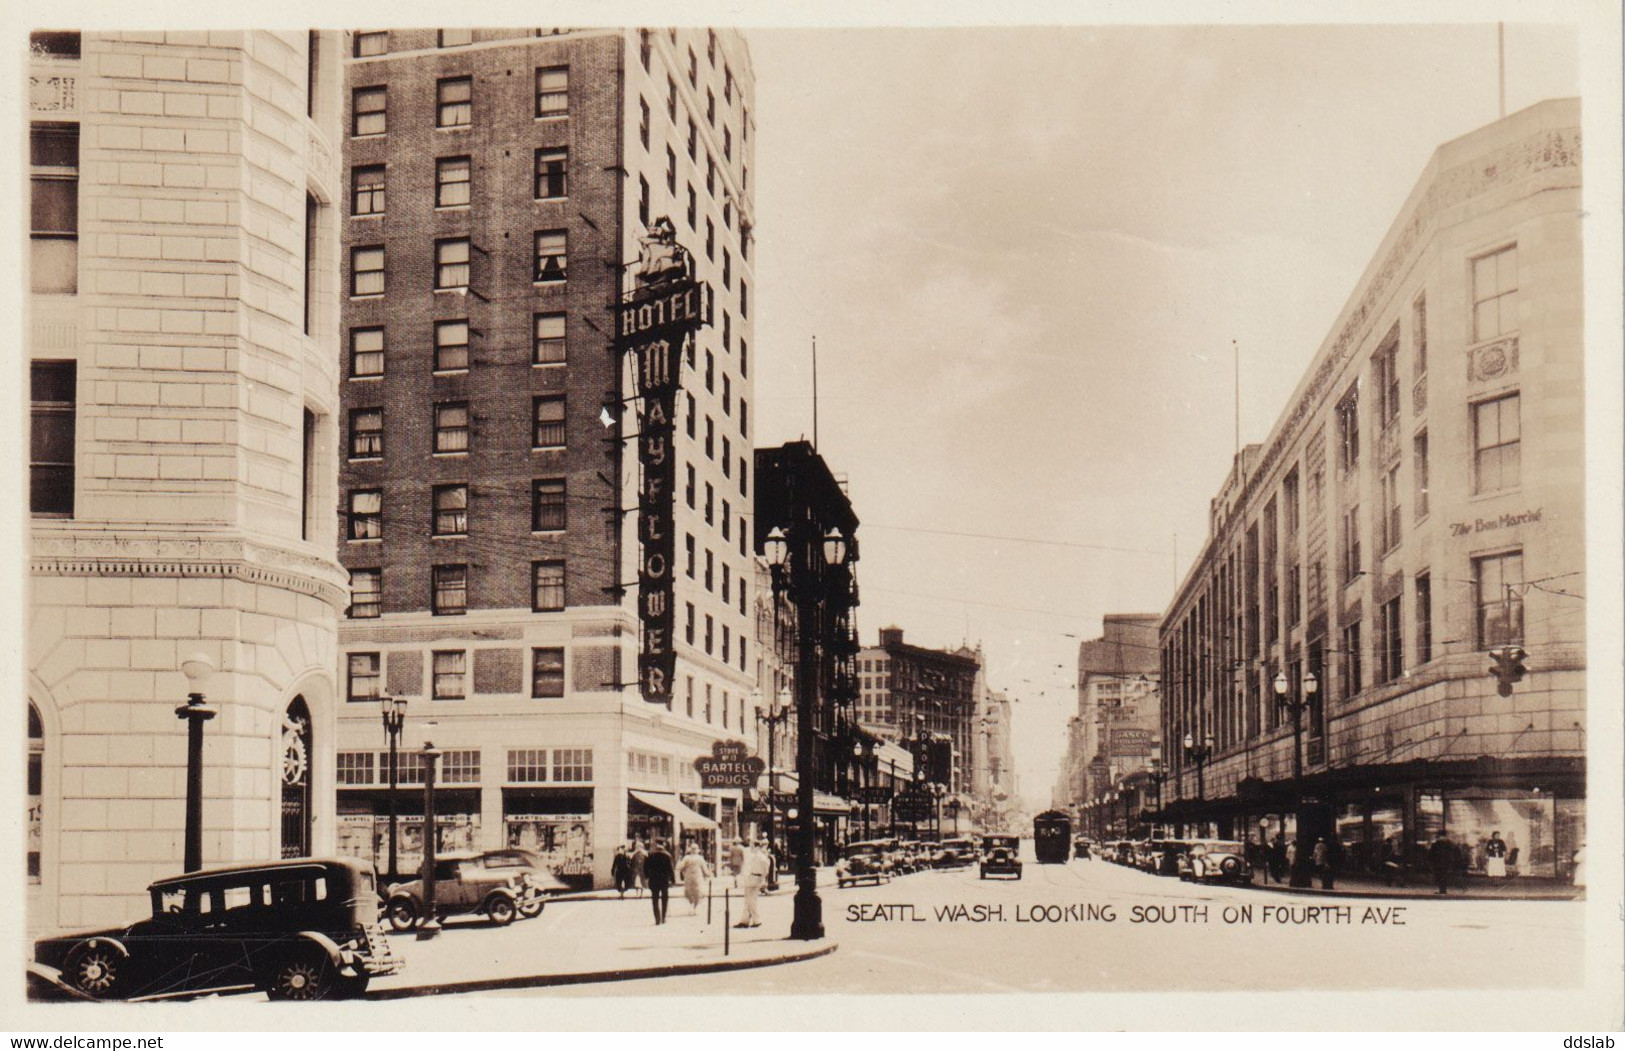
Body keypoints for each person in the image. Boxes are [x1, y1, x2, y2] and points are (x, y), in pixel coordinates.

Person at [737, 839, 770, 928]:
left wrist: (762, 880)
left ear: (756, 847)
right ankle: (745, 920)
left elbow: (765, 870)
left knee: (751, 900)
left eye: (752, 846)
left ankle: (756, 920)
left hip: (756, 878)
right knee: (748, 900)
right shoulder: (755, 856)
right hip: (752, 877)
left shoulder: (761, 857)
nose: (750, 848)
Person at [644, 839, 675, 924]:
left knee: (655, 899)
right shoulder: (667, 855)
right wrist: (672, 879)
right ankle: (663, 918)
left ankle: (657, 919)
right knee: (664, 899)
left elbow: (645, 868)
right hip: (664, 880)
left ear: (656, 844)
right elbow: (670, 869)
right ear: (663, 844)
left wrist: (647, 877)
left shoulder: (650, 855)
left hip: (654, 880)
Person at [676, 843, 711, 915]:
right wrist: (708, 874)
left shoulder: (686, 858)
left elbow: (680, 867)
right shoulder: (700, 858)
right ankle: (695, 908)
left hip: (688, 878)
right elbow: (705, 870)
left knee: (689, 892)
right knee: (697, 893)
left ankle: (691, 906)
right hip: (698, 877)